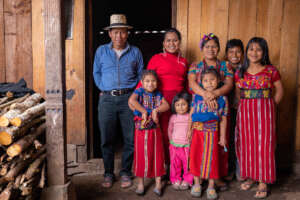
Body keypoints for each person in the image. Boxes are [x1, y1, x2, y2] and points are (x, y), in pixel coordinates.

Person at [93, 14, 144, 188]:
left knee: (130, 138)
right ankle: (108, 173)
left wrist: (134, 95)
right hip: (107, 99)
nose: (118, 36)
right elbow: (96, 73)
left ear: (127, 33)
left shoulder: (135, 52)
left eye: (122, 32)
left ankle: (125, 172)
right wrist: (104, 89)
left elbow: (141, 76)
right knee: (106, 138)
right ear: (109, 34)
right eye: (115, 32)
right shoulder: (101, 51)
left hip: (129, 99)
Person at [235, 37, 283, 199]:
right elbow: (238, 94)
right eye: (251, 49)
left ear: (264, 52)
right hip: (245, 114)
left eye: (258, 49)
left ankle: (263, 181)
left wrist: (270, 106)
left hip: (265, 114)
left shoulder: (271, 71)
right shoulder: (240, 71)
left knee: (264, 145)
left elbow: (280, 91)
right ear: (246, 51)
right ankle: (250, 176)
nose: (254, 52)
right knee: (247, 144)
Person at [134, 28, 189, 170]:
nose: (172, 43)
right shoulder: (156, 58)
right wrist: (135, 97)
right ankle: (163, 166)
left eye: (175, 40)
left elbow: (187, 85)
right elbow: (146, 80)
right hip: (161, 102)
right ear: (164, 43)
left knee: (177, 133)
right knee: (163, 134)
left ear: (179, 42)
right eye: (168, 40)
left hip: (179, 104)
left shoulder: (183, 61)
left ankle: (176, 166)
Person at [188, 33, 233, 190]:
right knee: (198, 147)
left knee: (218, 144)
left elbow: (228, 84)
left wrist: (215, 94)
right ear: (202, 49)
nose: (211, 49)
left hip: (218, 107)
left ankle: (216, 176)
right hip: (201, 106)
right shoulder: (195, 65)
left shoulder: (225, 66)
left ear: (219, 48)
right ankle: (199, 177)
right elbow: (192, 83)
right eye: (207, 46)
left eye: (214, 46)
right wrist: (206, 95)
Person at [187, 68, 228, 199]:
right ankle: (197, 183)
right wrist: (189, 130)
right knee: (195, 157)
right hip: (197, 132)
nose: (209, 83)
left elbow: (223, 119)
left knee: (212, 159)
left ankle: (211, 186)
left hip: (213, 133)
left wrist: (222, 136)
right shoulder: (196, 96)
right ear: (201, 83)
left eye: (212, 79)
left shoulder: (222, 99)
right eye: (205, 80)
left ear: (219, 81)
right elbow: (191, 114)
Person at [128, 70, 169, 196]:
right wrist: (144, 111)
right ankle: (140, 183)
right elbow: (132, 101)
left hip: (155, 130)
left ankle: (158, 183)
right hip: (140, 131)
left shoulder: (158, 94)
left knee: (157, 155)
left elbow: (166, 105)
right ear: (141, 83)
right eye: (147, 81)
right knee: (141, 155)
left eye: (153, 81)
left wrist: (156, 110)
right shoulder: (139, 92)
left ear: (157, 83)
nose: (150, 83)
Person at [224, 39, 244, 181]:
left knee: (242, 138)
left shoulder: (247, 68)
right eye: (231, 51)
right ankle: (229, 168)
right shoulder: (223, 67)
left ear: (242, 53)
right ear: (226, 54)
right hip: (226, 109)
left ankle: (241, 169)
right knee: (229, 138)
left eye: (238, 51)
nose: (234, 55)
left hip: (243, 109)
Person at [168, 92, 193, 190]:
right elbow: (169, 130)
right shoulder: (173, 117)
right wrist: (171, 141)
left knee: (187, 164)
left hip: (186, 146)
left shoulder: (190, 117)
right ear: (174, 106)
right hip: (174, 145)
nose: (180, 107)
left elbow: (193, 130)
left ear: (188, 104)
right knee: (175, 164)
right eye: (177, 105)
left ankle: (187, 180)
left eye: (183, 104)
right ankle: (175, 179)